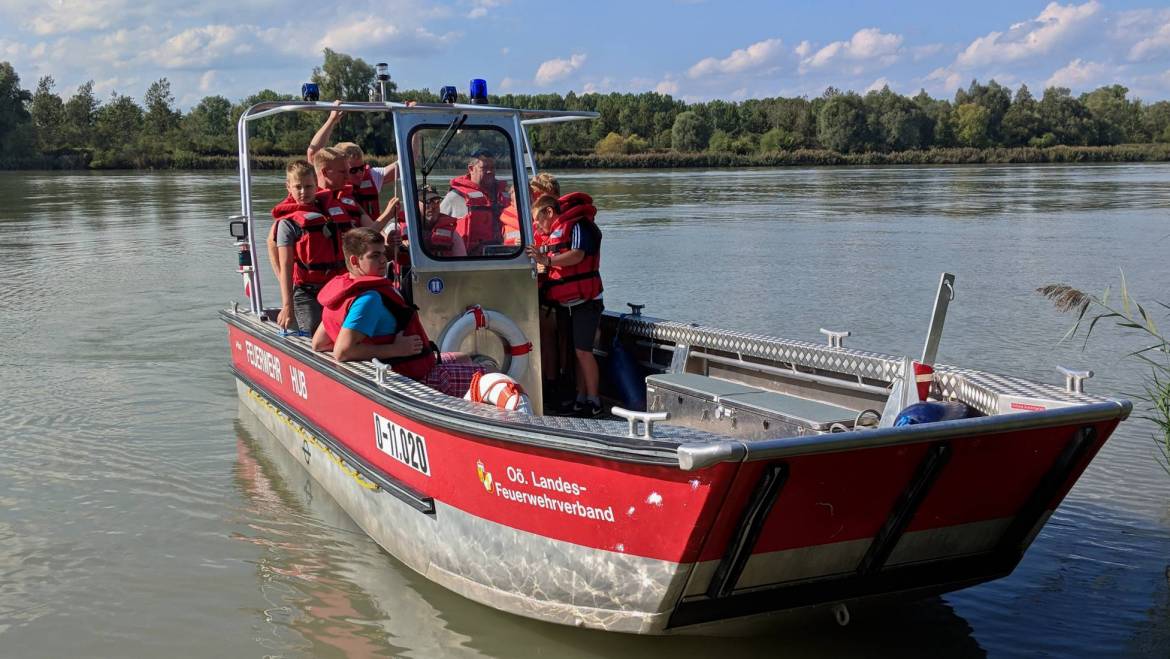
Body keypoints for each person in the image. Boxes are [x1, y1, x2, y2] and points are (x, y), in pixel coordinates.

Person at [312, 228, 485, 397]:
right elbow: (343, 352)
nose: (383, 260)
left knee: (463, 358)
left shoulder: (344, 290)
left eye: (383, 253)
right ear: (355, 261)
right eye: (375, 255)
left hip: (411, 364)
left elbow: (319, 343)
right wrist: (396, 349)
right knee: (487, 373)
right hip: (411, 377)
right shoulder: (369, 299)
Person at [525, 194, 605, 417]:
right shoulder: (555, 234)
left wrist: (547, 261)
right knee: (573, 352)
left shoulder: (580, 226)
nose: (538, 225)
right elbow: (552, 251)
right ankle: (581, 396)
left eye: (538, 219)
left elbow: (577, 255)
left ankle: (595, 400)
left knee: (583, 351)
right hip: (565, 303)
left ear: (549, 212)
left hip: (586, 302)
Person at [269, 159, 353, 333]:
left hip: (337, 286)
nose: (303, 192)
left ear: (316, 185)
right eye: (298, 187)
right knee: (311, 333)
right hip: (308, 292)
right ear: (288, 187)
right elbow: (285, 267)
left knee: (345, 331)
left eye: (308, 186)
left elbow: (358, 243)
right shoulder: (288, 223)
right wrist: (287, 306)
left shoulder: (333, 210)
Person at [306, 102, 399, 219]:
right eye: (353, 170)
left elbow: (405, 165)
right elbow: (313, 153)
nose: (360, 173)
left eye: (361, 168)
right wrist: (332, 120)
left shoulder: (371, 176)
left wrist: (410, 121)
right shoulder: (324, 181)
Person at [440, 151, 510, 256]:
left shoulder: (505, 196)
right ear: (471, 169)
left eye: (492, 168)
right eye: (485, 168)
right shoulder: (454, 198)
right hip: (471, 261)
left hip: (508, 258)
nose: (490, 171)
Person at [499, 172, 560, 247]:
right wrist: (516, 242)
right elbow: (508, 240)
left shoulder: (561, 216)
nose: (542, 203)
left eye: (548, 199)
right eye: (537, 197)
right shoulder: (515, 216)